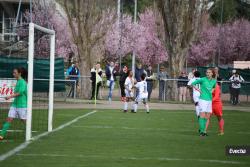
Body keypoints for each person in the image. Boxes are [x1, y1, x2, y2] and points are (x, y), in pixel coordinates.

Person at [0, 67, 27, 140]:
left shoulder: (22, 82)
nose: (13, 74)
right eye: (13, 72)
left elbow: (20, 93)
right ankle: (1, 135)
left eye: (15, 73)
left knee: (24, 120)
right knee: (9, 119)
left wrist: (10, 96)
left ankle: (28, 132)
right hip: (15, 105)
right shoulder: (18, 81)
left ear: (19, 73)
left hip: (22, 105)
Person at [191, 68, 216, 136]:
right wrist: (198, 90)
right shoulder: (203, 79)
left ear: (212, 73)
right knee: (202, 115)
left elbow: (214, 87)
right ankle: (201, 131)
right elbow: (192, 83)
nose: (207, 73)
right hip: (202, 100)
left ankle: (204, 131)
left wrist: (212, 90)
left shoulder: (214, 81)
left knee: (207, 117)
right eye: (207, 72)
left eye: (209, 72)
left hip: (209, 100)